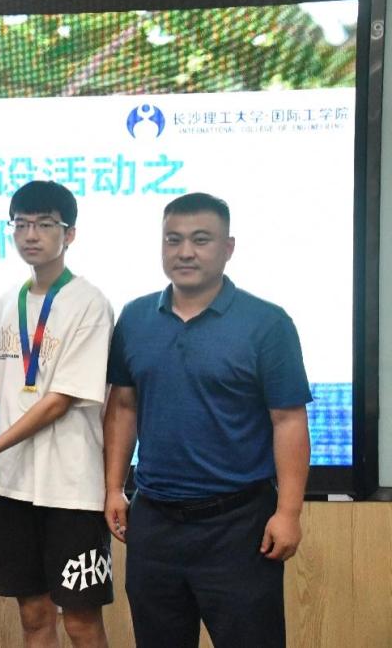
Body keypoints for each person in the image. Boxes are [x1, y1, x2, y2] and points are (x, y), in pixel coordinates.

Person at [103, 192, 311, 648]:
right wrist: (115, 487)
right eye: (172, 240)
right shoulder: (135, 318)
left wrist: (288, 512)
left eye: (201, 240)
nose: (185, 252)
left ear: (228, 247)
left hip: (238, 526)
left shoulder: (268, 323)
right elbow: (123, 406)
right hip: (153, 523)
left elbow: (288, 420)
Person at [0, 181, 114, 648]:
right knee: (33, 617)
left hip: (71, 488)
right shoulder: (9, 300)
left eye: (45, 224)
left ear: (69, 234)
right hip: (15, 487)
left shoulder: (89, 303)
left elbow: (58, 400)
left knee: (80, 621)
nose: (31, 235)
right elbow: (2, 385)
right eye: (22, 224)